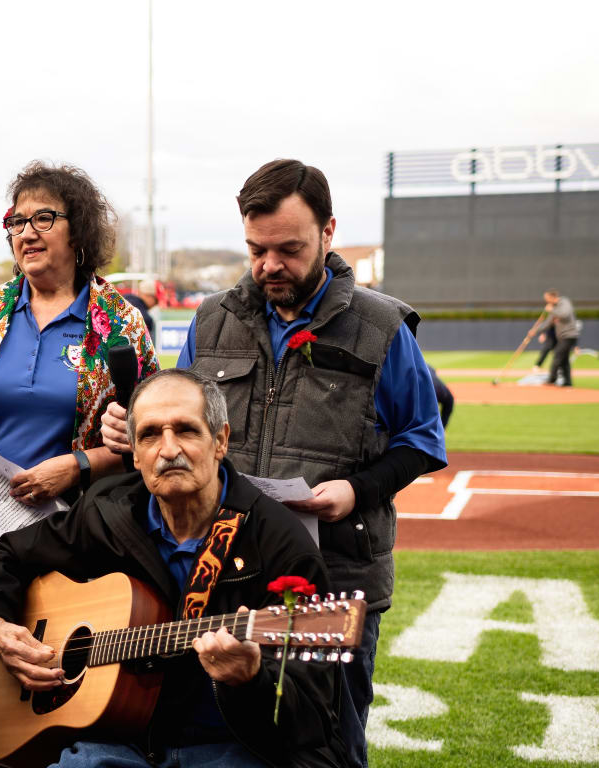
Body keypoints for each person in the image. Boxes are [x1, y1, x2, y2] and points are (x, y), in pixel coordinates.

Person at [101, 159, 446, 768]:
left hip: (335, 577)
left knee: (328, 746)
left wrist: (358, 489)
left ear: (329, 232)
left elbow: (423, 439)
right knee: (228, 739)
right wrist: (133, 425)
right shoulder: (213, 319)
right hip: (225, 570)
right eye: (257, 249)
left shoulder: (382, 326)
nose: (269, 266)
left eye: (289, 249)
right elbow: (180, 412)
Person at [0, 369, 344, 767]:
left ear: (220, 441)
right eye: (149, 435)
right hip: (119, 742)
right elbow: (2, 557)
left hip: (231, 746)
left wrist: (253, 680)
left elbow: (315, 714)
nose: (167, 450)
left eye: (185, 430)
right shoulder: (109, 510)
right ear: (133, 451)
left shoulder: (279, 542)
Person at [0, 161, 159, 679]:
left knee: (70, 670)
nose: (26, 232)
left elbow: (151, 438)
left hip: (80, 525)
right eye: (17, 221)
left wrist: (76, 465)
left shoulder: (121, 323)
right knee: (0, 672)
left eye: (44, 218)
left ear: (78, 228)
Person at [544, 290, 580, 387]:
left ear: (553, 297)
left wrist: (551, 310)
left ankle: (552, 379)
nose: (547, 301)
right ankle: (567, 382)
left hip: (569, 335)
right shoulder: (554, 308)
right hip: (562, 337)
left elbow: (564, 314)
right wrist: (534, 331)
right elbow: (547, 323)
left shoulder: (564, 302)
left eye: (547, 299)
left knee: (557, 354)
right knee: (564, 360)